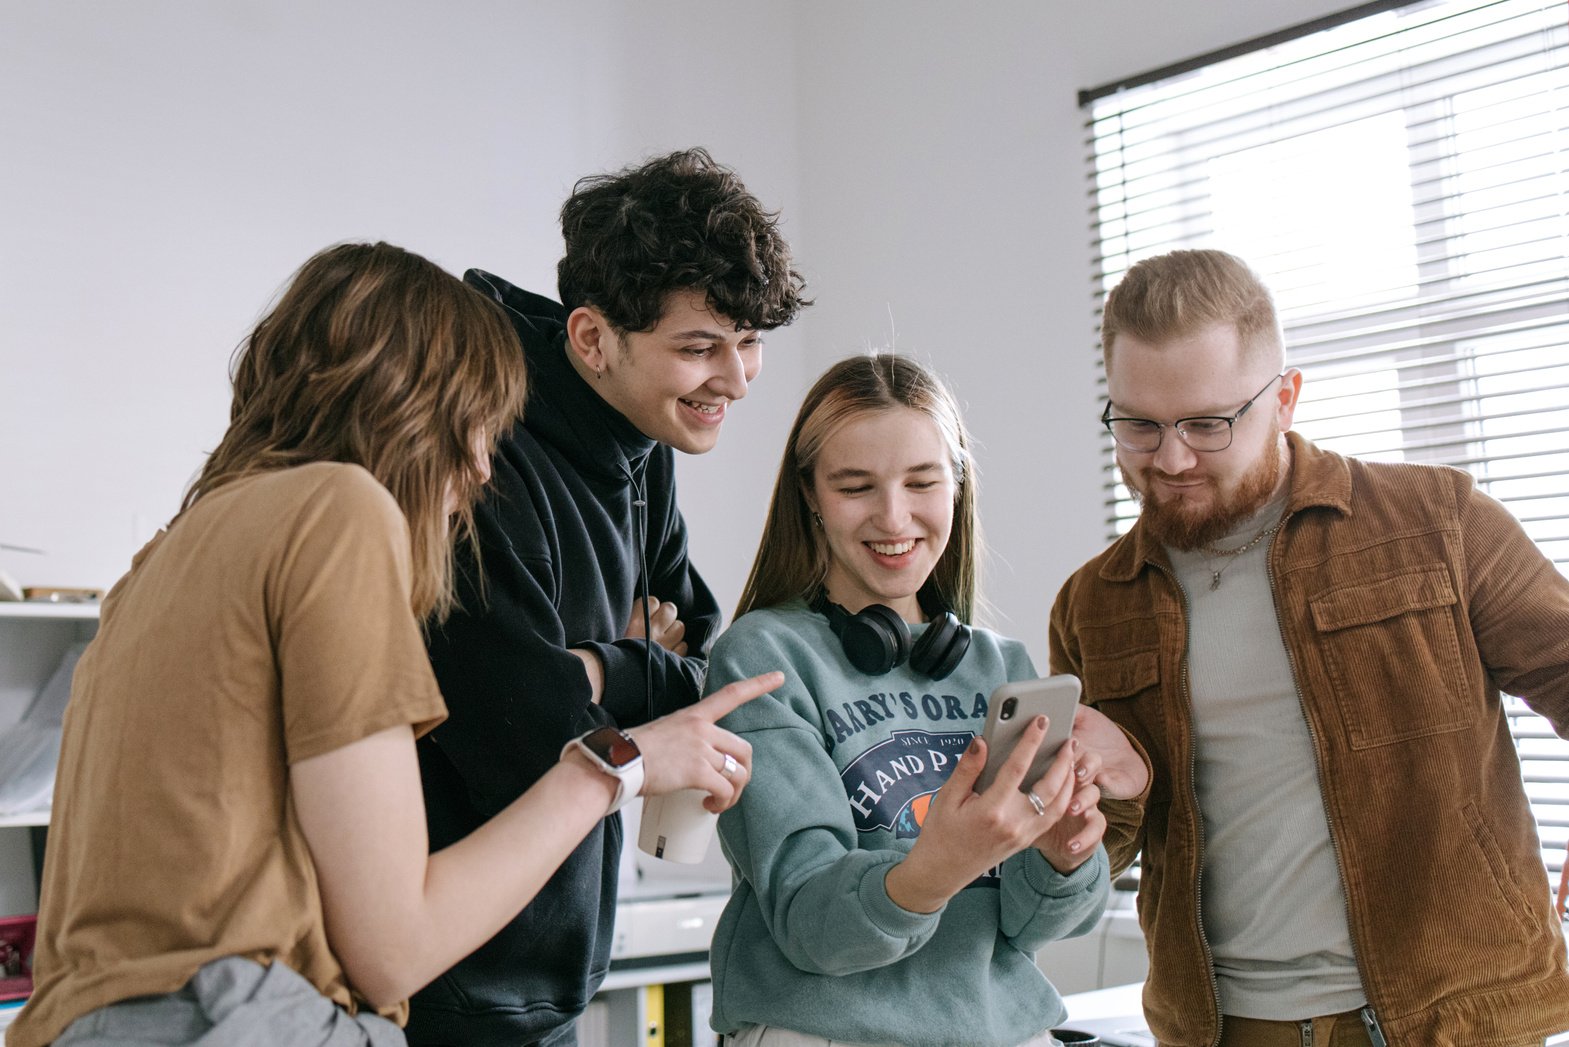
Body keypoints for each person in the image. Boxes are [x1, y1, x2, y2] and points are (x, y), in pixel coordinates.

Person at [8, 242, 777, 1047]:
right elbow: (394, 949)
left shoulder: (162, 559)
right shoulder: (338, 509)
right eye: (477, 428)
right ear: (408, 409)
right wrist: (626, 762)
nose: (481, 471)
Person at [1049, 248, 1569, 1047]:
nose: (1172, 458)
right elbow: (1101, 837)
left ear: (1284, 398)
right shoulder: (1093, 605)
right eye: (1139, 425)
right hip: (1226, 1029)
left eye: (1206, 423)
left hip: (1458, 1022)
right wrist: (1069, 821)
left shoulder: (1439, 522)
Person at [407, 148, 808, 1046]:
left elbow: (705, 665)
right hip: (446, 979)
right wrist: (631, 668)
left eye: (747, 344)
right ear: (591, 338)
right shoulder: (483, 454)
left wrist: (595, 667)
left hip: (556, 961)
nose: (736, 380)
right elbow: (526, 736)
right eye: (699, 347)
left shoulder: (645, 440)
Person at [703, 355, 1150, 1047]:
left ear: (957, 484)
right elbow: (808, 923)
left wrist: (1062, 855)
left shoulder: (1000, 666)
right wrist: (938, 864)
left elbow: (1030, 930)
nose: (893, 516)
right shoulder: (764, 658)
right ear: (810, 495)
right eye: (855, 486)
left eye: (921, 482)